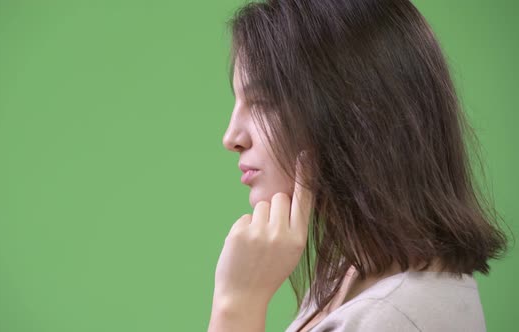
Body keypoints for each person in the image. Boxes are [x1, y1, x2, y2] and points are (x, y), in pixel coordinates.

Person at [208, 0, 509, 331]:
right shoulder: (354, 275)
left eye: (262, 102)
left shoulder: (389, 318)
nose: (231, 137)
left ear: (351, 111)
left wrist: (237, 305)